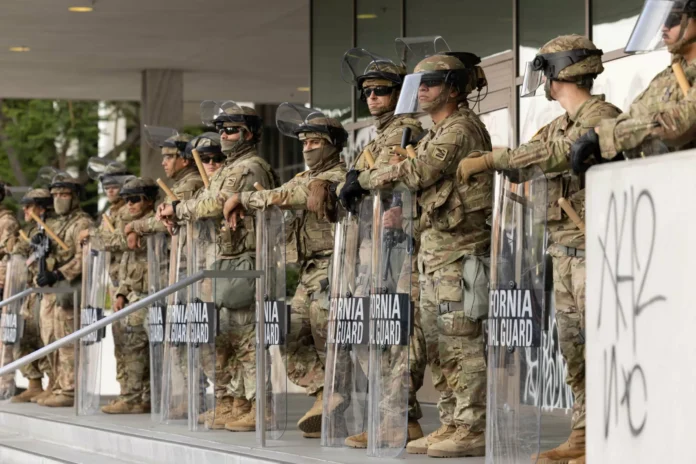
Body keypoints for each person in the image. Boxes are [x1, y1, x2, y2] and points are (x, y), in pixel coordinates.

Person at [458, 35, 622, 464]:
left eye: (545, 72)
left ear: (558, 72)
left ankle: (612, 438)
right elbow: (528, 153)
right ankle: (584, 436)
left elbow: (554, 154)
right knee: (575, 352)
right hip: (564, 254)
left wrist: (492, 160)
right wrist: (501, 160)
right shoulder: (558, 124)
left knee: (602, 348)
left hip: (596, 254)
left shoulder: (601, 116)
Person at [340, 51, 492, 458]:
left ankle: (472, 427)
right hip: (435, 253)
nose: (421, 90)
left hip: (459, 252)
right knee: (442, 346)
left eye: (431, 83)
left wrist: (363, 178)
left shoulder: (460, 128)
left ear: (454, 89)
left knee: (462, 343)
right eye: (418, 84)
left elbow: (417, 171)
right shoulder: (437, 131)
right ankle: (452, 422)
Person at [222, 105, 347, 438]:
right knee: (286, 332)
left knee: (328, 338)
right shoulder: (304, 177)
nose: (307, 148)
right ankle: (325, 394)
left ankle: (337, 403)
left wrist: (243, 199)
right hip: (307, 272)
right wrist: (251, 202)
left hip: (334, 268)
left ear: (333, 144)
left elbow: (289, 196)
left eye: (315, 142)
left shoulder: (339, 177)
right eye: (304, 142)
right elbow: (279, 195)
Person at [159, 108, 278, 431]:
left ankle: (260, 406)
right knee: (227, 337)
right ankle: (235, 402)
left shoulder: (249, 167)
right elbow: (208, 202)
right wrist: (179, 212)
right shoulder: (229, 168)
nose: (224, 135)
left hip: (248, 260)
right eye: (222, 129)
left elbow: (213, 204)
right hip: (228, 260)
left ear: (249, 133)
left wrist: (178, 208)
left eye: (232, 129)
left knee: (248, 339)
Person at [337, 48, 427, 448]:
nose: (372, 98)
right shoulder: (380, 136)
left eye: (381, 91)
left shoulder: (409, 132)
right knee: (368, 334)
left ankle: (395, 420)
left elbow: (402, 182)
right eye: (367, 92)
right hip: (374, 248)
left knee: (395, 335)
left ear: (399, 93)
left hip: (399, 247)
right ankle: (399, 418)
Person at [571, 0, 696, 167]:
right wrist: (603, 143)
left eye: (672, 19)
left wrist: (609, 135)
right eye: (662, 20)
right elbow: (636, 115)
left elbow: (682, 122)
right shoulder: (667, 77)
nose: (663, 28)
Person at [99, 177, 159, 414]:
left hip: (153, 294)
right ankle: (141, 396)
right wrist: (122, 293)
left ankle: (133, 397)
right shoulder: (133, 224)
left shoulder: (154, 223)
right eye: (126, 200)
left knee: (134, 346)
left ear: (149, 200)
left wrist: (134, 228)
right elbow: (128, 265)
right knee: (130, 346)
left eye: (135, 199)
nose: (130, 204)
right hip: (135, 295)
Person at [35, 172, 92, 407]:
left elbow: (83, 257)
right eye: (55, 194)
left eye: (64, 194)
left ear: (75, 196)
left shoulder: (82, 223)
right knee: (51, 338)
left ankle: (70, 389)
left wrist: (58, 273)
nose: (59, 198)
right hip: (53, 290)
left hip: (71, 288)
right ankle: (57, 384)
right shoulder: (54, 223)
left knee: (68, 340)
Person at [9, 189, 53, 403]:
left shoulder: (52, 228)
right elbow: (16, 253)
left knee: (46, 339)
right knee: (23, 336)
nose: (25, 210)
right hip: (28, 292)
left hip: (48, 292)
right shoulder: (29, 230)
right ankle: (34, 383)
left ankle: (54, 384)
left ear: (42, 207)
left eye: (29, 206)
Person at [126, 131, 202, 240]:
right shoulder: (183, 183)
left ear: (185, 160)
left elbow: (165, 221)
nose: (163, 163)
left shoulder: (191, 184)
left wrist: (134, 226)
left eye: (169, 157)